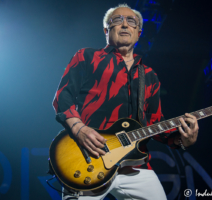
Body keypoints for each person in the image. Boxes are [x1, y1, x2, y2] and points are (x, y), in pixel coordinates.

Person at [52, 3, 199, 200]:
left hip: (136, 166)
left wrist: (182, 140)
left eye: (131, 21)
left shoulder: (149, 75)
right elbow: (63, 97)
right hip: (89, 158)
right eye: (117, 20)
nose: (124, 25)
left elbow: (155, 123)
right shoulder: (87, 57)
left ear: (139, 32)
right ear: (106, 30)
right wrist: (80, 129)